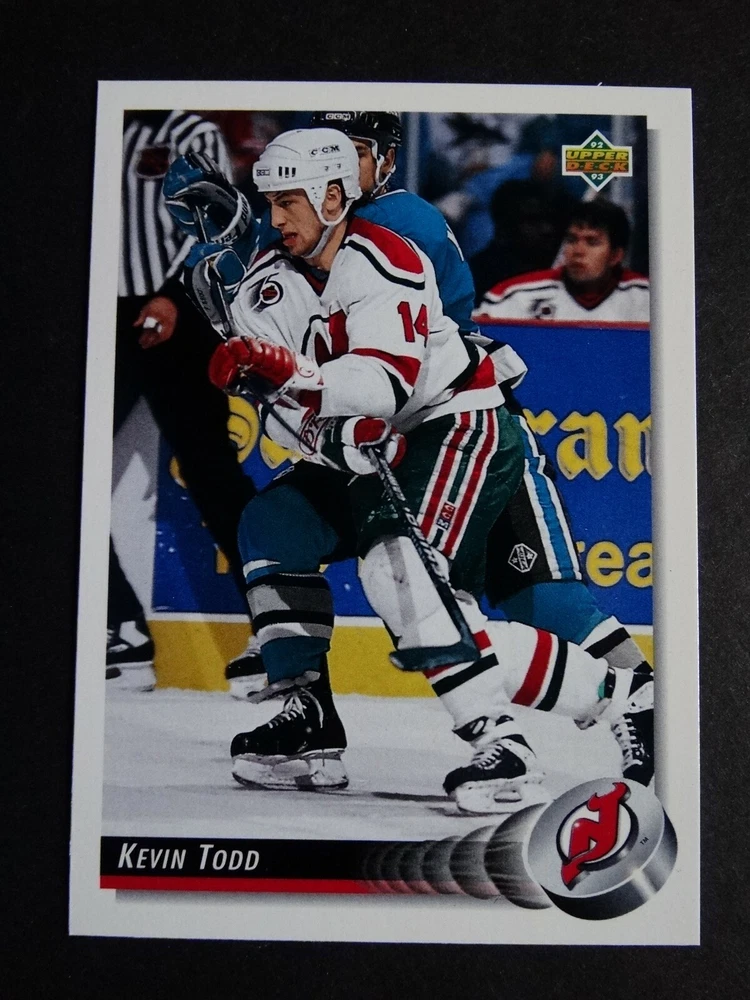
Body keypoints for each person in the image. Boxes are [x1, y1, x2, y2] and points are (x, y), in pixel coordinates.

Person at [191, 129, 653, 814]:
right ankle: (307, 715)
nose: (275, 217)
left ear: (334, 194)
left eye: (288, 201)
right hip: (380, 445)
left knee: (421, 580)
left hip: (452, 424)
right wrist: (311, 418)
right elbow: (291, 416)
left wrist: (296, 377)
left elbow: (383, 384)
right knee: (273, 520)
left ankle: (558, 717)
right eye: (269, 202)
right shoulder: (265, 284)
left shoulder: (389, 251)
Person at [109, 110, 256, 689]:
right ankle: (121, 629)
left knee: (211, 471)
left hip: (178, 313)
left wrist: (172, 295)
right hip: (109, 316)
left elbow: (216, 223)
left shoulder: (190, 132)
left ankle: (275, 626)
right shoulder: (110, 129)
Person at [475, 199, 650, 322]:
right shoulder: (511, 296)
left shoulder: (648, 298)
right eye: (572, 240)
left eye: (592, 242)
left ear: (615, 256)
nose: (578, 251)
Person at [468, 178, 571, 305]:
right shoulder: (475, 276)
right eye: (533, 221)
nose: (547, 229)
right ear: (504, 226)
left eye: (549, 220)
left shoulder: (563, 270)